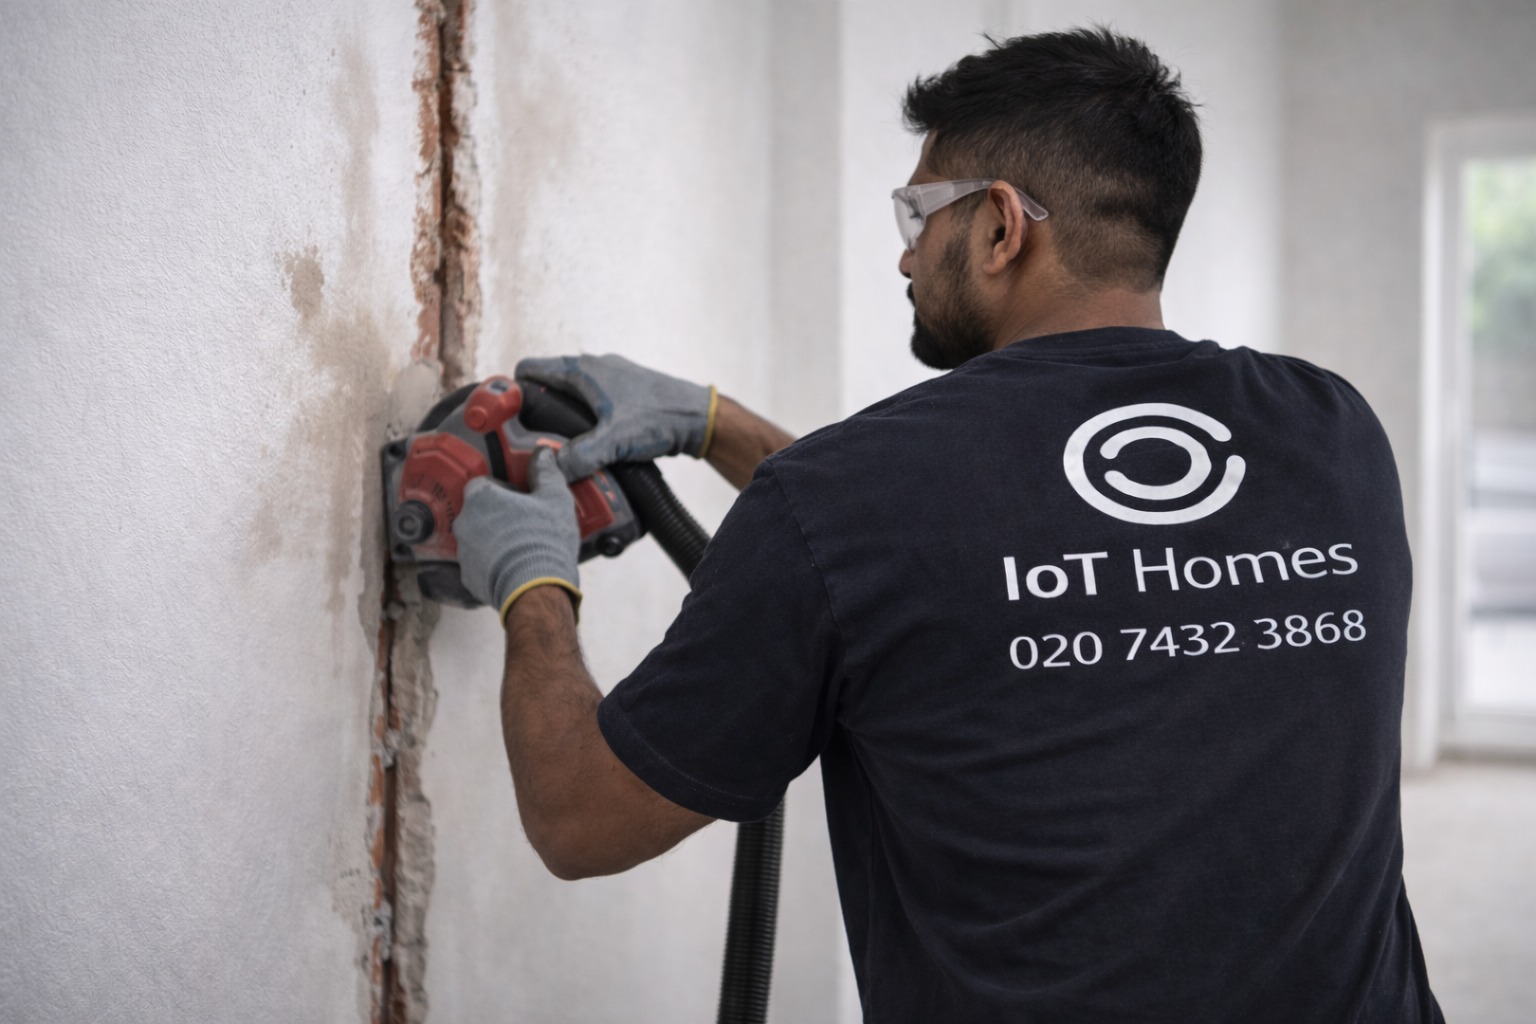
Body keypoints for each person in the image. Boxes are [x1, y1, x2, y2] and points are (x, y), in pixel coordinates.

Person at [451, 27, 1443, 1022]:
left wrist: (533, 581)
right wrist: (725, 426)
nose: (904, 253)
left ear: (1003, 227)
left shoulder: (846, 498)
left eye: (919, 212)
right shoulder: (1332, 434)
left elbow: (582, 818)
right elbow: (959, 547)